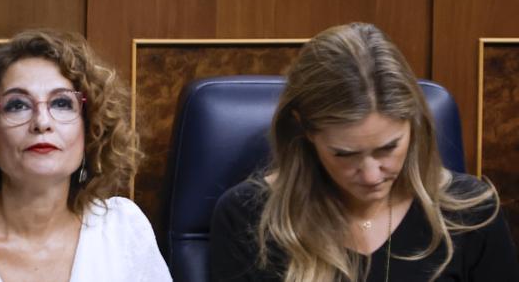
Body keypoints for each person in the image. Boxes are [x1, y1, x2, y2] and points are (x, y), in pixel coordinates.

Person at [211, 23, 517, 281]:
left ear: (415, 125)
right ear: (304, 130)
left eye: (388, 148)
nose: (371, 176)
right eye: (344, 154)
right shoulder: (248, 216)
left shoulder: (471, 211)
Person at [0, 30, 171, 282]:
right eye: (17, 105)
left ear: (91, 129)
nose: (41, 122)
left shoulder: (123, 229)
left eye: (61, 103)